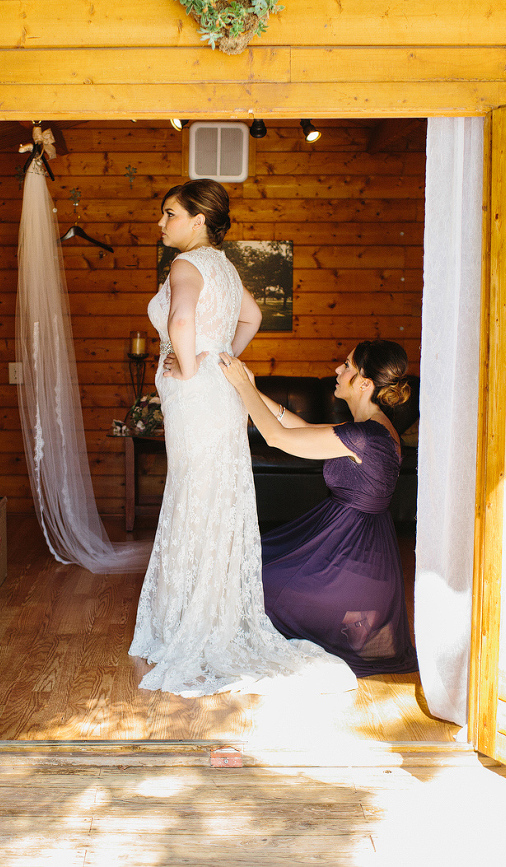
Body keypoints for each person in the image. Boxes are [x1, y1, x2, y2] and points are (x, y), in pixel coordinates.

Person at [128, 179, 356, 697]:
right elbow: (251, 316)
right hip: (218, 394)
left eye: (169, 214)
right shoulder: (225, 269)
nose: (161, 224)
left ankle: (187, 621)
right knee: (216, 496)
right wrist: (221, 354)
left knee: (193, 496)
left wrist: (188, 365)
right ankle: (209, 614)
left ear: (198, 220)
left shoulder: (185, 266)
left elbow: (181, 317)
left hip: (195, 396)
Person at [217, 339, 419, 676]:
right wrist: (253, 390)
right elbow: (306, 430)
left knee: (255, 579)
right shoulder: (376, 428)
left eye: (347, 366)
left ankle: (341, 628)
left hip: (352, 568)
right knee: (256, 563)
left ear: (365, 384)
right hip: (358, 552)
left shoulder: (364, 435)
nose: (338, 370)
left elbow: (277, 437)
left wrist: (240, 385)